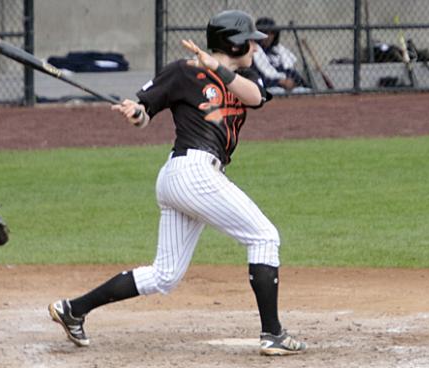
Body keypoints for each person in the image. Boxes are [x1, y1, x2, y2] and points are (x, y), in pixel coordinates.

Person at [48, 10, 307, 356]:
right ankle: (272, 333)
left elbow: (255, 98)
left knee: (164, 275)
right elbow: (144, 112)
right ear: (233, 42)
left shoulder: (243, 77)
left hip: (191, 177)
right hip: (191, 171)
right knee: (264, 236)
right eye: (250, 42)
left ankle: (73, 309)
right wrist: (136, 113)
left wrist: (214, 67)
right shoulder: (182, 71)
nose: (256, 48)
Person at [252, 17, 310, 94]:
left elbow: (290, 71)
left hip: (286, 86)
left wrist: (295, 81)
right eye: (265, 33)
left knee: (305, 91)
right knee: (278, 91)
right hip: (268, 88)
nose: (269, 37)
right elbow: (256, 78)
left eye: (272, 33)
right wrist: (279, 82)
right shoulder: (253, 51)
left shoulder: (278, 50)